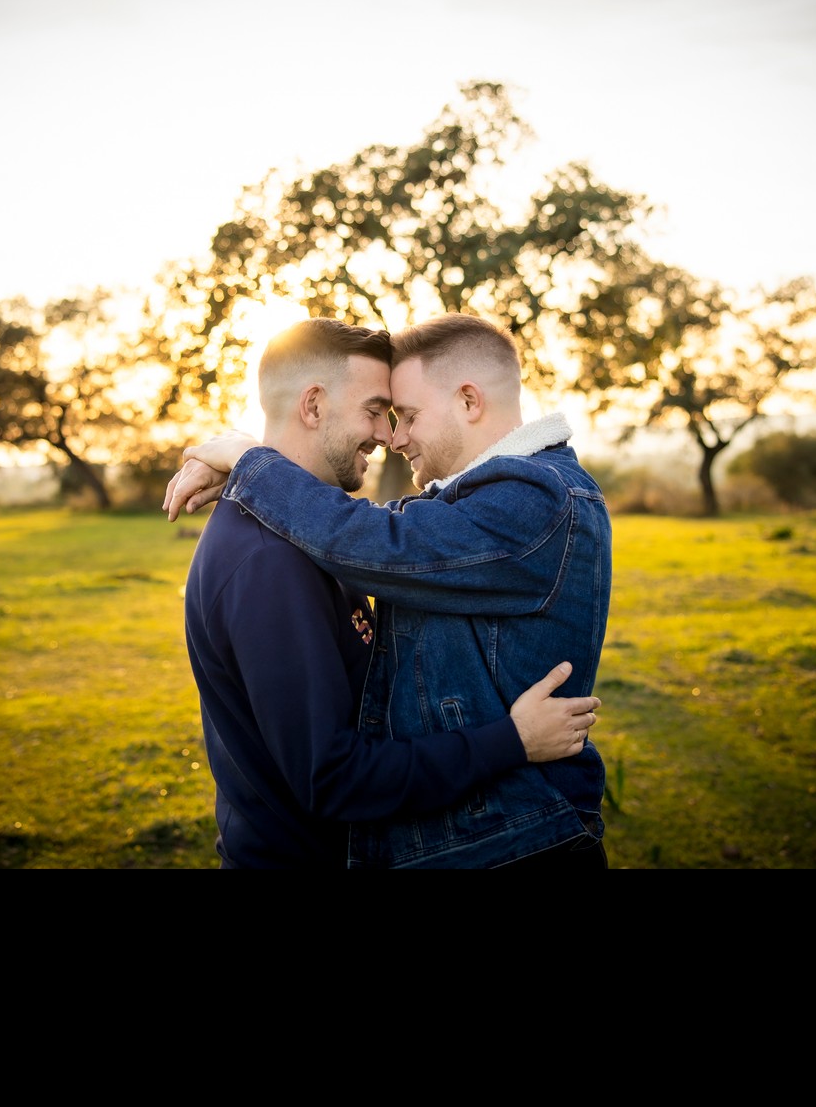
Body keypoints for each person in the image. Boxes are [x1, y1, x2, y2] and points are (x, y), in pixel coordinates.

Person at [166, 311, 613, 870]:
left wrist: (250, 463)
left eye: (405, 414)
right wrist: (250, 471)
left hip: (517, 841)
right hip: (475, 840)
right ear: (312, 404)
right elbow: (376, 531)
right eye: (379, 413)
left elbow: (382, 539)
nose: (392, 437)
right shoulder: (269, 559)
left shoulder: (538, 502)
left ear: (469, 402)